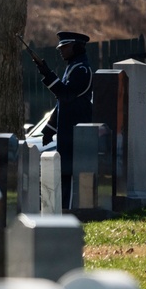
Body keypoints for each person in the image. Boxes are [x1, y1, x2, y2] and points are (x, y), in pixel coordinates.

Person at [37, 31, 93, 209]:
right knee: (63, 173)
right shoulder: (73, 67)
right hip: (67, 132)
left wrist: (48, 74)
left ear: (77, 47)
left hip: (76, 133)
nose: (61, 51)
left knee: (70, 174)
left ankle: (70, 209)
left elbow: (66, 95)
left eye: (65, 47)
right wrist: (49, 128)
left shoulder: (82, 69)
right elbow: (62, 104)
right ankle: (63, 208)